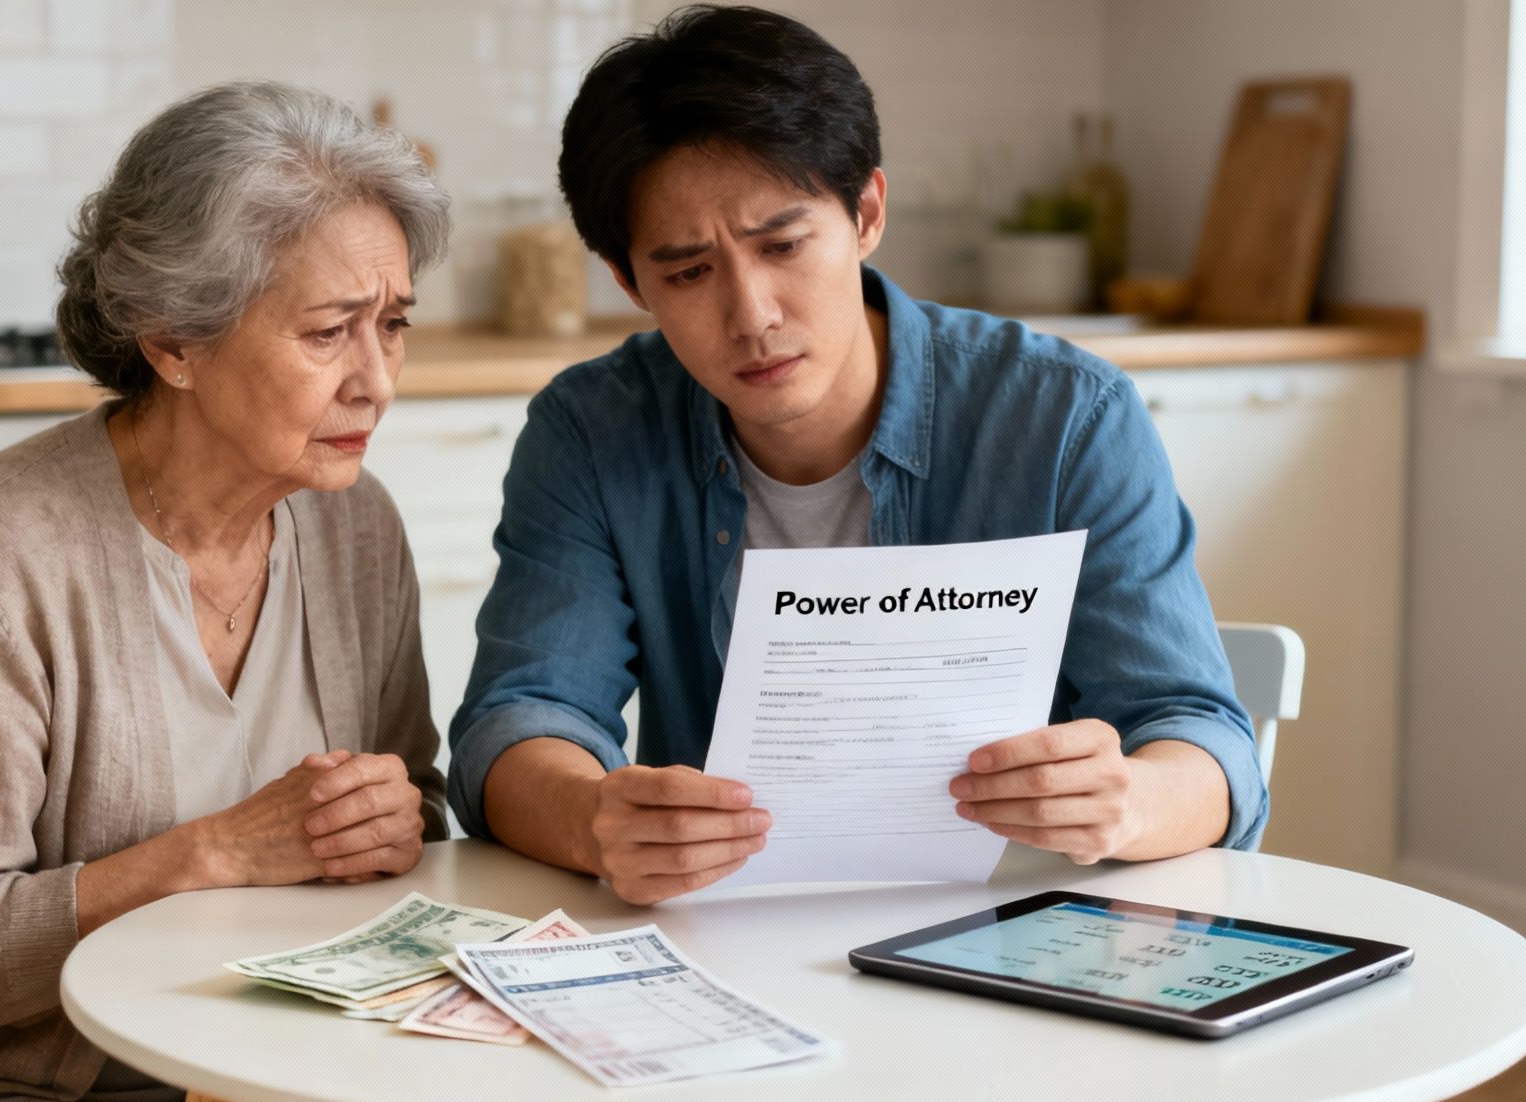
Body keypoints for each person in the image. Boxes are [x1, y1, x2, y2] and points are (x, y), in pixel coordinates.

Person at [0, 81, 450, 1102]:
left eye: (393, 325)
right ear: (175, 343)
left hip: (245, 1050)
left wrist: (393, 822)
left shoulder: (355, 529)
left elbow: (417, 808)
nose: (376, 382)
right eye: (328, 333)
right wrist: (212, 855)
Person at [449, 6, 1264, 906]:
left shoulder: (1066, 417)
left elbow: (1202, 737)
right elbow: (521, 719)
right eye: (687, 272)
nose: (751, 313)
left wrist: (1133, 801)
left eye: (784, 245)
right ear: (627, 280)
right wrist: (592, 819)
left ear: (867, 211)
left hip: (1015, 930)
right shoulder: (592, 430)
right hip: (721, 939)